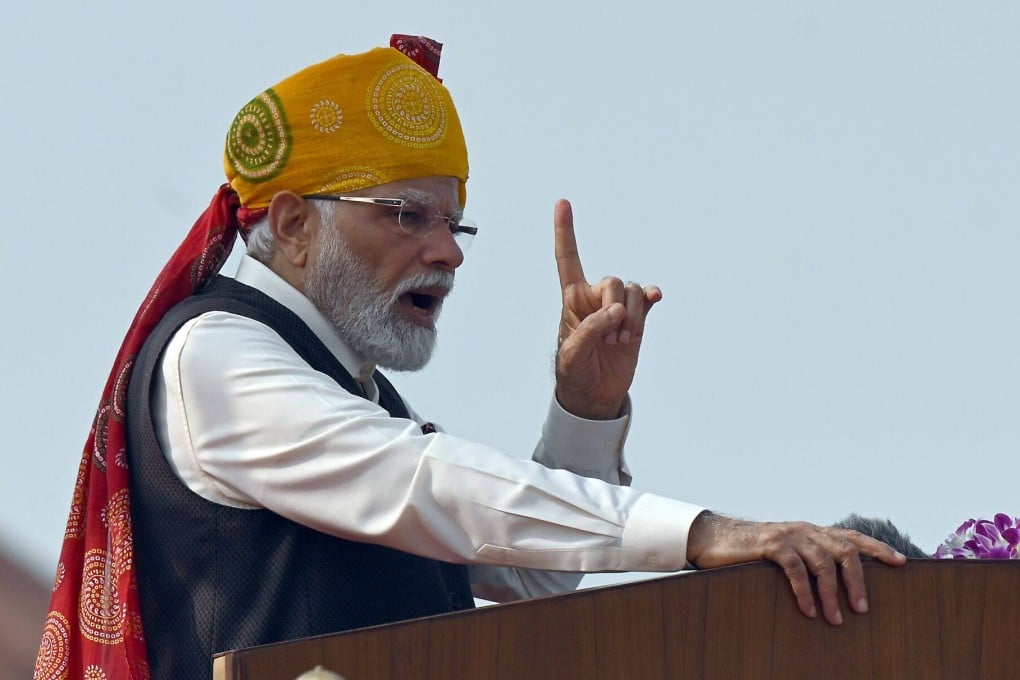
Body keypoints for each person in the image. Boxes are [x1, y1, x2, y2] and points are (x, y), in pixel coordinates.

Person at [35, 35, 906, 680]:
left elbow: (521, 570)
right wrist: (709, 535)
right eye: (407, 215)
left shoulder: (353, 394)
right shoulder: (214, 358)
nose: (449, 253)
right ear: (294, 224)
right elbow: (428, 486)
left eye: (455, 223)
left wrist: (585, 411)